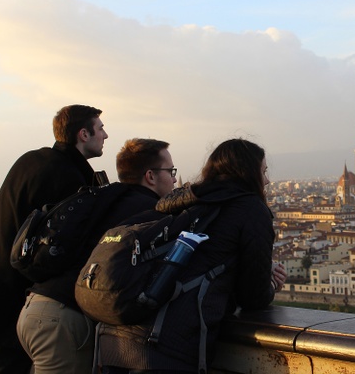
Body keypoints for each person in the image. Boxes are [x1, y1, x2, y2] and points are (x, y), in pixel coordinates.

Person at [98, 138, 287, 374]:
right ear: (248, 173)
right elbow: (253, 296)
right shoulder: (250, 208)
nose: (268, 180)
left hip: (114, 340)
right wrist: (270, 282)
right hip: (165, 347)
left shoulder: (180, 201)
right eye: (264, 171)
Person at [0, 104, 108, 374]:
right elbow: (57, 251)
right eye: (101, 129)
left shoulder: (34, 160)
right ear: (83, 134)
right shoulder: (65, 175)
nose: (105, 136)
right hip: (11, 309)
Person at [16, 138, 178, 374]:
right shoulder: (147, 213)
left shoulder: (104, 197)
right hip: (62, 322)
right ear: (150, 176)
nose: (174, 178)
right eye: (170, 171)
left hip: (36, 309)